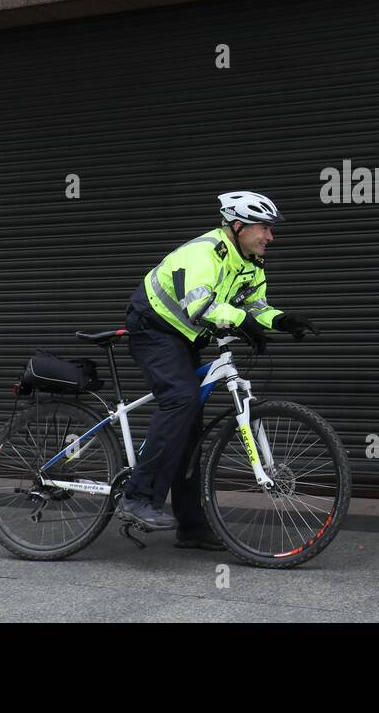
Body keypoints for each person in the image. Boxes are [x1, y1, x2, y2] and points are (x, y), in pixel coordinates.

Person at [117, 190, 317, 549]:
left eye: (271, 230)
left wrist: (283, 321)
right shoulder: (205, 253)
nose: (270, 237)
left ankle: (191, 526)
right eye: (265, 229)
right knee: (180, 400)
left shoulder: (251, 263)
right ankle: (136, 498)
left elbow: (254, 307)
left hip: (185, 337)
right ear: (238, 226)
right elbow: (201, 305)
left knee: (190, 427)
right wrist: (244, 321)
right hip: (153, 328)